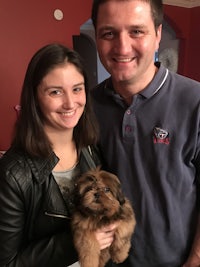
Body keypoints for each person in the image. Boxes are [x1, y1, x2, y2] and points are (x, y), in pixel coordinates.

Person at [91, 0, 200, 266]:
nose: (122, 47)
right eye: (109, 33)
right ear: (96, 37)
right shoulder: (87, 105)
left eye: (136, 31)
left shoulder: (195, 100)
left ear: (158, 34)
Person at [0, 43, 116, 267]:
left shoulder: (91, 147)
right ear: (35, 97)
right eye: (55, 92)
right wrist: (79, 240)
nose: (70, 103)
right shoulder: (13, 174)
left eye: (77, 89)